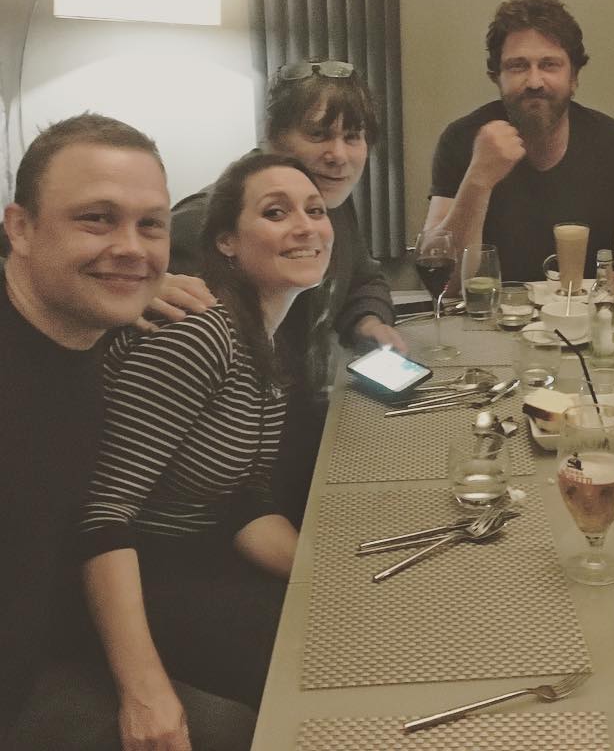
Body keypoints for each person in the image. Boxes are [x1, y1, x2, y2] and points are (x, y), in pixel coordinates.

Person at [0, 114, 254, 751]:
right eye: (96, 219)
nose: (132, 246)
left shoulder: (90, 329)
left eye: (150, 225)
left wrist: (129, 277)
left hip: (48, 652)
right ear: (20, 229)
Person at [77, 151, 332, 746]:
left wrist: (330, 573)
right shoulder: (200, 334)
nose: (306, 226)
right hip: (133, 585)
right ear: (226, 242)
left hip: (201, 564)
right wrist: (144, 691)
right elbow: (101, 512)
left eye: (315, 211)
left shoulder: (268, 345)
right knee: (327, 655)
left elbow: (245, 501)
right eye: (276, 212)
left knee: (352, 617)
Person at [169, 59, 403, 523]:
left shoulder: (329, 206)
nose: (339, 155)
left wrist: (368, 320)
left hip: (310, 435)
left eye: (352, 136)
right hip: (240, 484)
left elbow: (362, 277)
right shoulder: (203, 224)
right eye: (319, 135)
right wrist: (145, 285)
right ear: (272, 138)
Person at [425, 0, 614, 311]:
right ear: (497, 77)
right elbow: (445, 284)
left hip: (584, 321)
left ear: (574, 77)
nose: (534, 81)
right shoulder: (462, 140)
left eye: (549, 65)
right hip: (487, 320)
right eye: (517, 66)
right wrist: (477, 180)